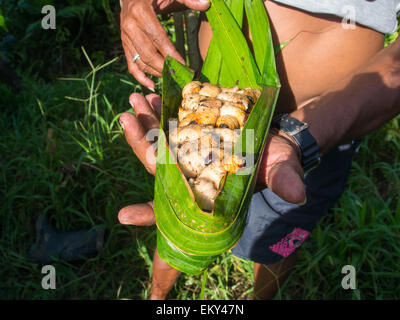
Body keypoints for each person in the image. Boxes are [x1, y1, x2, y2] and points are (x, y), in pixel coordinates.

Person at [117, 0, 400, 299]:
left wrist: (297, 137)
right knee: (181, 221)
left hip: (316, 139)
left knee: (279, 238)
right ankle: (157, 298)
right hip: (211, 112)